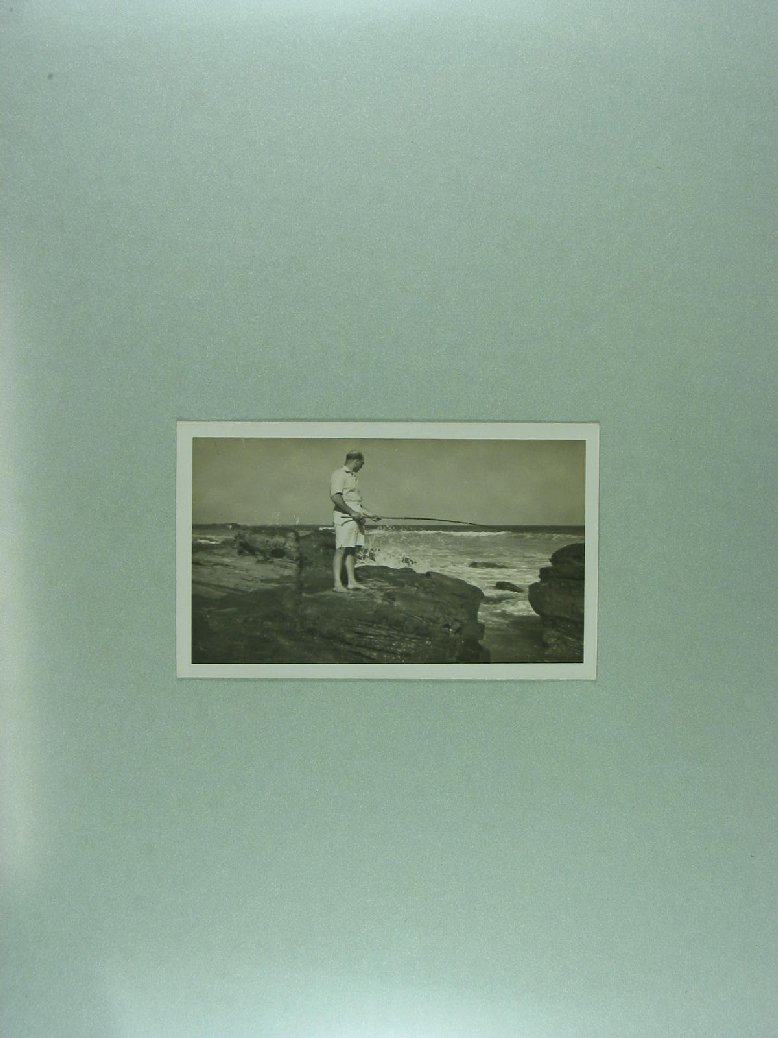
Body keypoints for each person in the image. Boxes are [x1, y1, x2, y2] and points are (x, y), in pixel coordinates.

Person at [330, 450, 380, 591]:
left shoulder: (353, 477)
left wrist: (369, 514)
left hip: (355, 518)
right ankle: (337, 584)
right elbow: (335, 497)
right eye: (361, 464)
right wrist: (351, 512)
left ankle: (351, 582)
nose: (361, 467)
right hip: (344, 518)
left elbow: (356, 503)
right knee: (341, 549)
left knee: (351, 549)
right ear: (356, 461)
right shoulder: (339, 474)